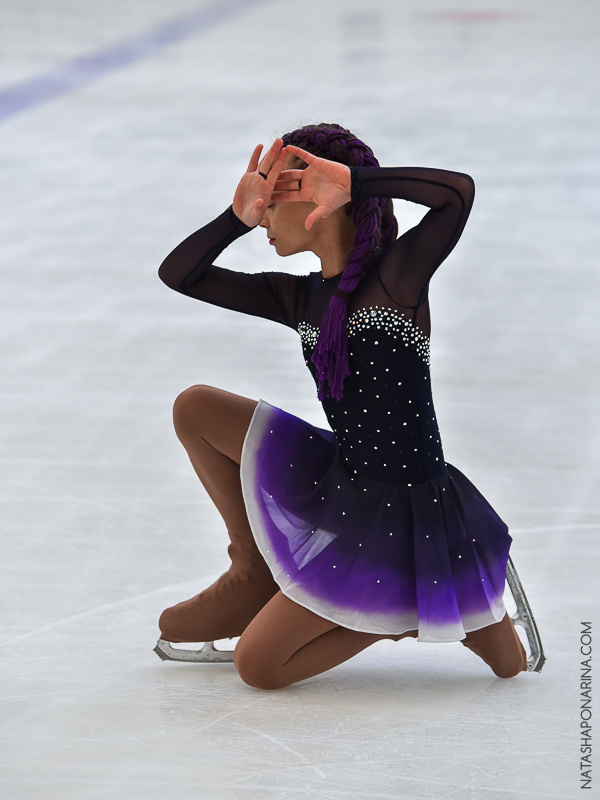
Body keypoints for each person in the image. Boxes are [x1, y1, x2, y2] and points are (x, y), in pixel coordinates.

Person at [157, 122, 528, 690]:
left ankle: (400, 607)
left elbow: (458, 193)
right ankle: (254, 571)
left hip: (409, 513)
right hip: (344, 482)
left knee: (258, 666)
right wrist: (237, 217)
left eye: (274, 202)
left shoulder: (396, 281)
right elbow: (179, 275)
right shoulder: (298, 297)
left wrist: (355, 180)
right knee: (196, 408)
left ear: (315, 204)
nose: (263, 224)